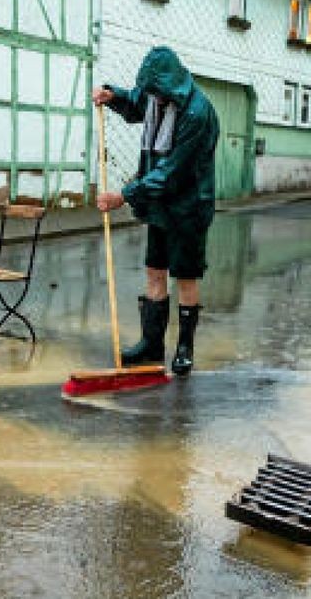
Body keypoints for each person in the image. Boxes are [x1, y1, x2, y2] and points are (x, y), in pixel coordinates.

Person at [93, 46, 218, 375]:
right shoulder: (156, 97)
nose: (152, 98)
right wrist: (113, 95)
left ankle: (185, 349)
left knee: (185, 278)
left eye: (156, 92)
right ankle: (151, 345)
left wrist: (123, 195)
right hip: (161, 206)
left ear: (170, 85)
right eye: (150, 91)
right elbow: (136, 102)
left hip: (189, 206)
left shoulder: (197, 114)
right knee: (154, 271)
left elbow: (171, 173)